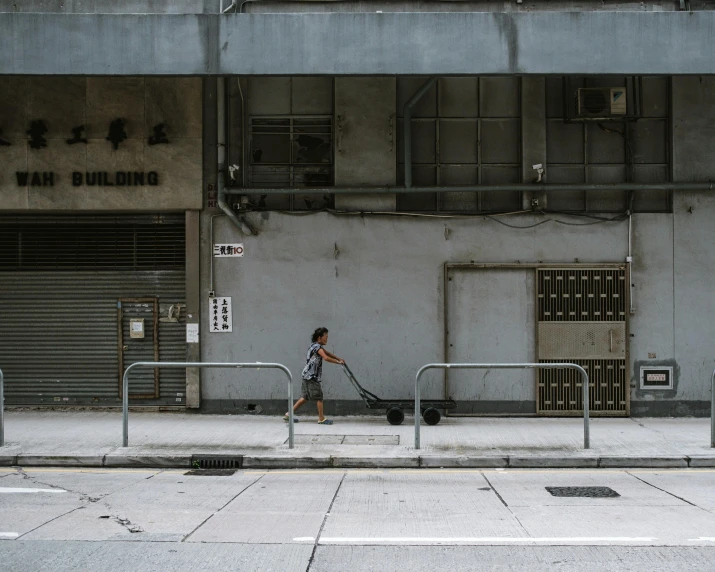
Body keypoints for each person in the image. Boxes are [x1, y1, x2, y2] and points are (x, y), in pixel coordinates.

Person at [284, 327, 344, 425]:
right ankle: (321, 418)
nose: (327, 339)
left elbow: (327, 353)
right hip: (312, 377)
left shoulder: (314, 346)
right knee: (319, 397)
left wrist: (339, 358)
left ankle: (288, 414)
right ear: (319, 337)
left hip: (306, 375)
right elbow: (326, 357)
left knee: (305, 397)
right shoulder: (317, 347)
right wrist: (338, 362)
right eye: (326, 337)